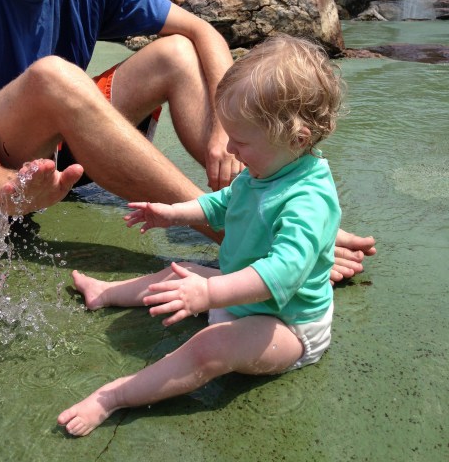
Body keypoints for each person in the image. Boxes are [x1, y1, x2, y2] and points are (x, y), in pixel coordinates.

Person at [0, 0, 374, 316]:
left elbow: (204, 34)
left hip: (61, 158)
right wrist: (8, 192)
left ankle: (269, 194)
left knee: (176, 52)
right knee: (54, 76)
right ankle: (239, 229)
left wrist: (222, 128)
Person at [58, 34, 348, 436]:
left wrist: (209, 295)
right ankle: (105, 293)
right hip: (241, 294)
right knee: (182, 272)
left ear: (296, 138)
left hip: (287, 325)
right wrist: (173, 213)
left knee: (210, 348)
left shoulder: (309, 200)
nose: (230, 147)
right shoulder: (270, 167)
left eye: (241, 140)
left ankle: (113, 397)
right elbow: (225, 202)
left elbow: (283, 273)